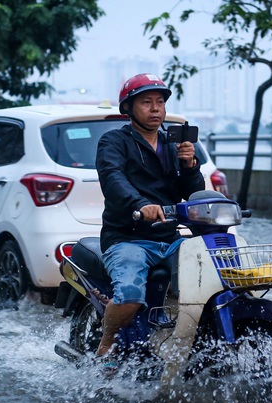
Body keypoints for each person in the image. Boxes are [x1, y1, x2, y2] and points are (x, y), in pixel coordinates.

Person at [95, 73, 205, 363]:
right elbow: (113, 178)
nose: (156, 108)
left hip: (169, 238)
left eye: (160, 102)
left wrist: (190, 165)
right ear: (128, 109)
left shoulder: (172, 145)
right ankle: (108, 341)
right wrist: (141, 204)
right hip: (127, 238)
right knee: (130, 294)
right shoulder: (114, 141)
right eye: (146, 102)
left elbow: (192, 192)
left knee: (210, 273)